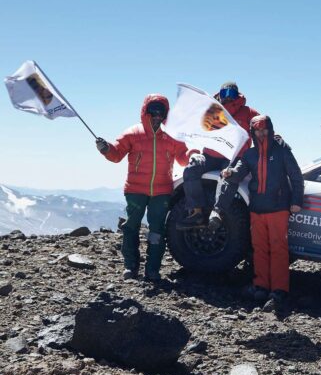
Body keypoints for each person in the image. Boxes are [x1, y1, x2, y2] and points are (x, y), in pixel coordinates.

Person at [95, 95, 190, 281]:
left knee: (157, 231)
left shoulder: (171, 136)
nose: (157, 115)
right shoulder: (132, 133)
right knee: (131, 227)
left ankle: (152, 270)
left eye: (161, 111)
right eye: (153, 110)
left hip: (161, 191)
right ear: (146, 111)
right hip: (135, 190)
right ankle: (130, 267)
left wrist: (194, 154)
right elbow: (116, 154)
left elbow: (183, 156)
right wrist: (105, 149)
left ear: (165, 114)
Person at [221, 115, 303, 313]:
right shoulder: (249, 155)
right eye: (257, 130)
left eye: (264, 129)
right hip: (257, 208)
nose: (261, 133)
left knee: (278, 249)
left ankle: (279, 290)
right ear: (252, 132)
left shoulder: (282, 150)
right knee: (258, 248)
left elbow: (296, 175)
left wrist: (296, 202)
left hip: (279, 208)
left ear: (270, 129)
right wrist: (230, 173)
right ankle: (260, 286)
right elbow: (240, 171)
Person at [179, 81, 260, 229]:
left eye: (232, 94)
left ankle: (217, 212)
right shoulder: (212, 110)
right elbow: (198, 129)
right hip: (210, 154)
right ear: (219, 94)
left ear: (238, 95)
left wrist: (275, 137)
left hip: (233, 156)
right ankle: (196, 212)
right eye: (225, 93)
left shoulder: (248, 113)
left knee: (228, 175)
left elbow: (262, 125)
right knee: (191, 170)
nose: (228, 97)